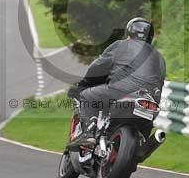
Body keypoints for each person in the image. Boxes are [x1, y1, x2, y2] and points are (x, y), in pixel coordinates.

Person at [68, 17, 166, 146]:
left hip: (121, 91)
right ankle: (142, 146)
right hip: (149, 100)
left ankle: (89, 134)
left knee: (87, 95)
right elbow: (159, 82)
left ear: (129, 33)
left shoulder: (121, 45)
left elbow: (98, 67)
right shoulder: (159, 57)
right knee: (146, 124)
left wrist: (83, 85)